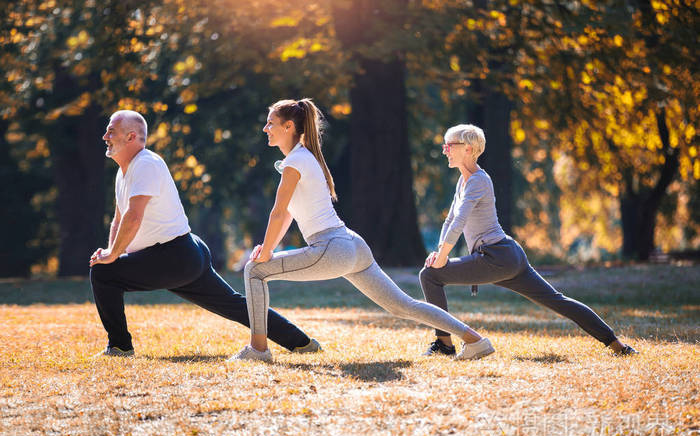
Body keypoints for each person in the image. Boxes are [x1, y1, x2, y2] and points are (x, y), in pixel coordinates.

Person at [230, 99, 494, 362]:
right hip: (353, 245)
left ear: (288, 127)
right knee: (402, 305)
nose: (265, 128)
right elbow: (287, 213)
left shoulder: (295, 161)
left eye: (270, 123)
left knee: (254, 270)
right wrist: (268, 249)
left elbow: (277, 212)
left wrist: (264, 253)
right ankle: (475, 341)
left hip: (332, 248)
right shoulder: (304, 157)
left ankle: (258, 350)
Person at [89, 110, 321, 357]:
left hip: (174, 256)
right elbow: (119, 218)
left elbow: (133, 216)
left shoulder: (146, 164)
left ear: (131, 137)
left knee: (103, 273)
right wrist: (111, 251)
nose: (105, 136)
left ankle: (120, 346)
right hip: (183, 253)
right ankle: (302, 343)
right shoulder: (123, 172)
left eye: (111, 131)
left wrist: (112, 256)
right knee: (234, 305)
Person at [418, 123, 637, 356]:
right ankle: (618, 346)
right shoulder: (463, 182)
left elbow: (459, 221)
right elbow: (449, 220)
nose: (445, 150)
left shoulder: (478, 181)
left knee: (430, 275)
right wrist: (440, 252)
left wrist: (442, 258)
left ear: (469, 149)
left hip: (496, 257)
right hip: (507, 255)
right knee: (558, 301)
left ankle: (444, 344)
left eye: (450, 145)